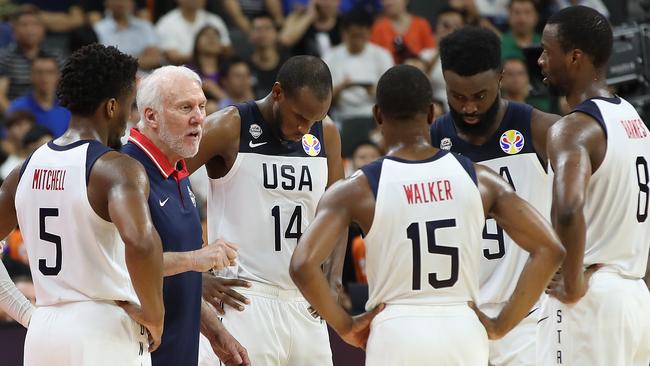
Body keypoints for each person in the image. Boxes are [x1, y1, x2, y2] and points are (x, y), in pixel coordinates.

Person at [289, 64, 565, 365]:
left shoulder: (358, 188)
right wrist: (501, 326)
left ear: (378, 116)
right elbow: (550, 248)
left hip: (396, 329)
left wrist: (345, 327)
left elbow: (303, 264)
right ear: (432, 114)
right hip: (462, 327)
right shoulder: (479, 178)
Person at [0, 43, 165, 365]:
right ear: (112, 106)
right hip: (104, 329)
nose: (130, 119)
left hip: (43, 331)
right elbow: (142, 244)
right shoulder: (115, 168)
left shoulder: (24, 169)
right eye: (130, 106)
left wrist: (21, 309)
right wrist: (154, 314)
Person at [191, 55, 345, 366]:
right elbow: (162, 188)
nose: (305, 128)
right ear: (277, 92)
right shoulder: (230, 126)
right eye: (299, 116)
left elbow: (338, 208)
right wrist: (193, 273)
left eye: (315, 118)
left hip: (306, 300)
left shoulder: (325, 132)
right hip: (244, 298)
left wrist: (335, 276)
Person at [429, 26, 560, 366]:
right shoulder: (433, 139)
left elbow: (589, 199)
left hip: (527, 316)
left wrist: (578, 260)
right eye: (457, 96)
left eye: (480, 96)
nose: (470, 107)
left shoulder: (539, 128)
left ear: (501, 78)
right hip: (458, 315)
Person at [536, 6, 650, 365]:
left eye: (546, 50)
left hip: (591, 294)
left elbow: (568, 208)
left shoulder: (572, 129)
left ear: (574, 57)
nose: (540, 60)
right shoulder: (634, 119)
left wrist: (570, 282)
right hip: (634, 294)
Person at [122, 65, 249, 366]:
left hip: (183, 352)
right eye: (185, 108)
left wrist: (216, 333)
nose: (199, 118)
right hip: (136, 352)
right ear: (151, 116)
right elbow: (120, 264)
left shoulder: (178, 168)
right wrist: (197, 258)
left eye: (202, 106)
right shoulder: (126, 172)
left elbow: (183, 279)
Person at [7, 53, 71, 138]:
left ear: (58, 77)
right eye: (39, 72)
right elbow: (6, 142)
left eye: (50, 72)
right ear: (31, 76)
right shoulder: (17, 107)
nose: (44, 77)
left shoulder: (68, 109)